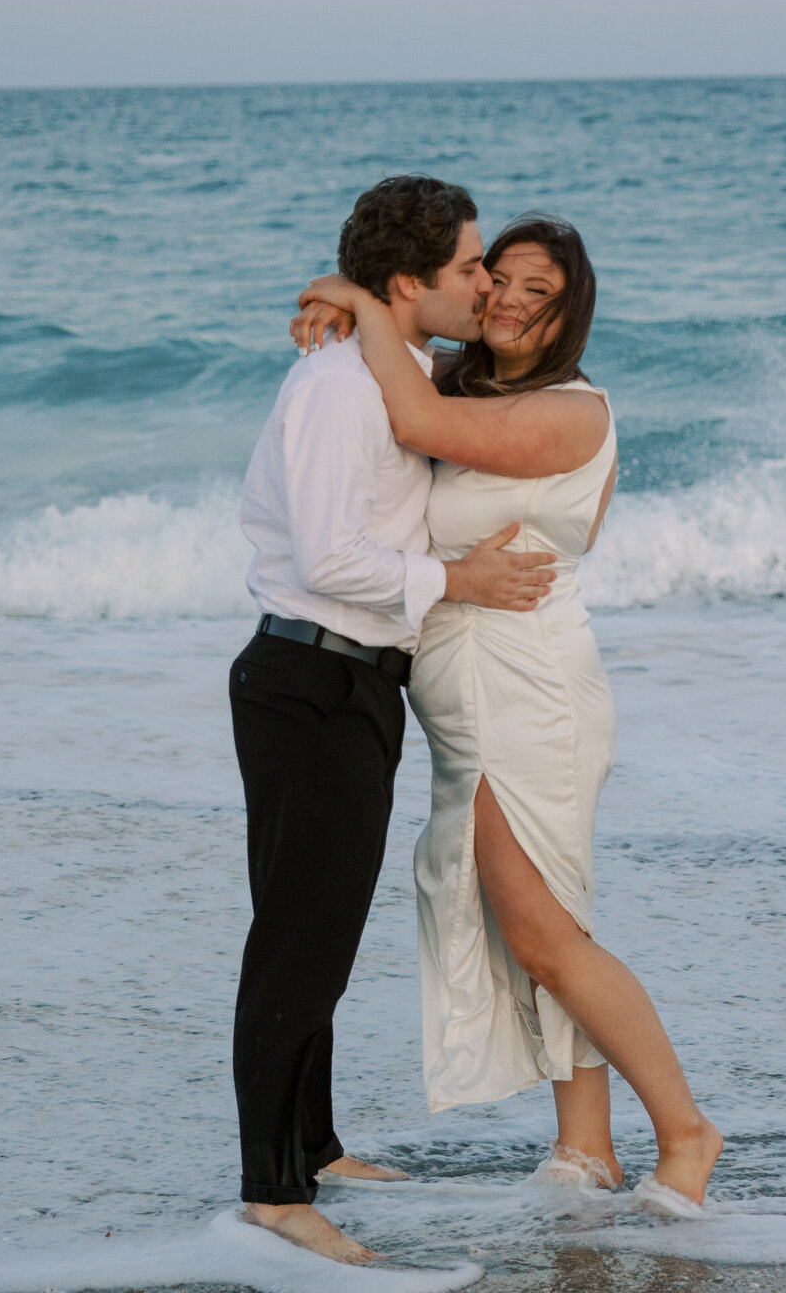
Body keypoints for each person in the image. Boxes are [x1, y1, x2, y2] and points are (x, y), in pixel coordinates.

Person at [293, 214, 723, 1213]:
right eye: (504, 279)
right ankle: (586, 1148)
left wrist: (357, 297)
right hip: (468, 694)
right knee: (539, 919)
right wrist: (369, 313)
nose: (517, 300)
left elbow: (421, 430)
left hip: (528, 687)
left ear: (574, 313)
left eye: (546, 290)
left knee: (542, 932)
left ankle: (687, 1133)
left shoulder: (573, 410)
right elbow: (408, 380)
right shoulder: (466, 379)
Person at [231, 177, 556, 1265]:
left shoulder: (395, 365)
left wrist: (350, 298)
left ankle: (313, 1146)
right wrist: (456, 578)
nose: (486, 284)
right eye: (471, 267)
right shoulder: (337, 388)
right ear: (411, 282)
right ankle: (272, 1192)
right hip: (308, 678)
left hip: (356, 681)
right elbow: (328, 558)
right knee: (299, 939)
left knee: (320, 924)